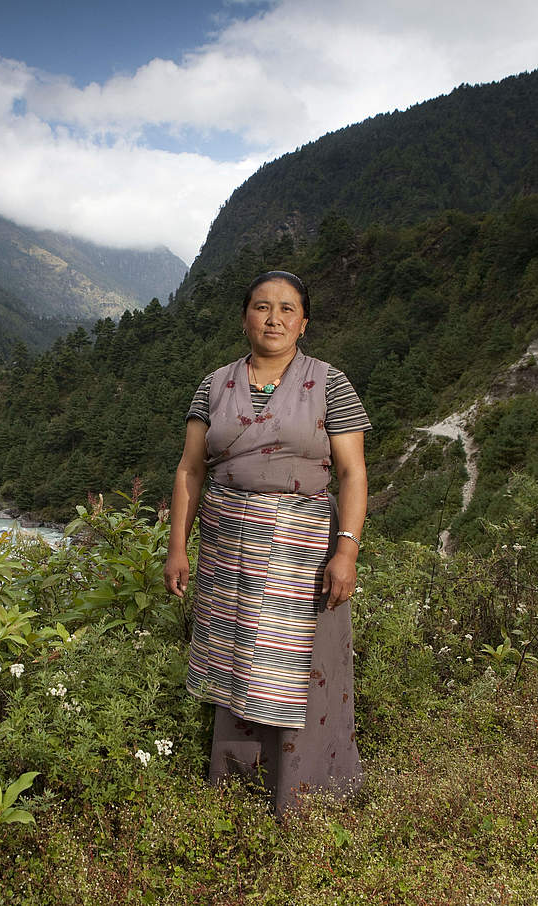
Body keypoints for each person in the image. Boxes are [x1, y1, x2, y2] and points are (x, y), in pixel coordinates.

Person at [164, 270, 370, 815]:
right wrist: (178, 547)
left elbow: (352, 473)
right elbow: (190, 470)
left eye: (286, 308)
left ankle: (308, 794)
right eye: (261, 307)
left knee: (300, 666)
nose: (273, 318)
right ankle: (237, 787)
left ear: (304, 322)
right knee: (239, 660)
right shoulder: (215, 384)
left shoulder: (331, 383)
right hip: (229, 543)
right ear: (245, 317)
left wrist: (345, 550)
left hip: (303, 548)